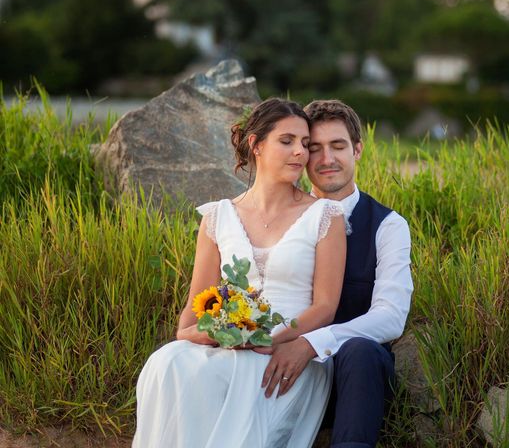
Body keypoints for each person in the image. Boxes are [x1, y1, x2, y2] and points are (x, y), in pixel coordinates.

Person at [133, 98, 347, 448]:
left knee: (228, 376)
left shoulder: (325, 216)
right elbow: (193, 311)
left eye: (305, 144)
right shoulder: (217, 217)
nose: (299, 152)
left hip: (287, 354)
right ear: (256, 145)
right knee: (166, 362)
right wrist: (207, 334)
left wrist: (269, 339)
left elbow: (325, 306)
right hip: (231, 345)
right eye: (287, 141)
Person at [256, 100, 413, 448]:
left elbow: (391, 317)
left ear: (357, 150)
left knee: (362, 351)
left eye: (338, 146)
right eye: (314, 148)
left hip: (352, 379)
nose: (326, 159)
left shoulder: (388, 226)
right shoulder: (281, 219)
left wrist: (312, 343)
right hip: (281, 366)